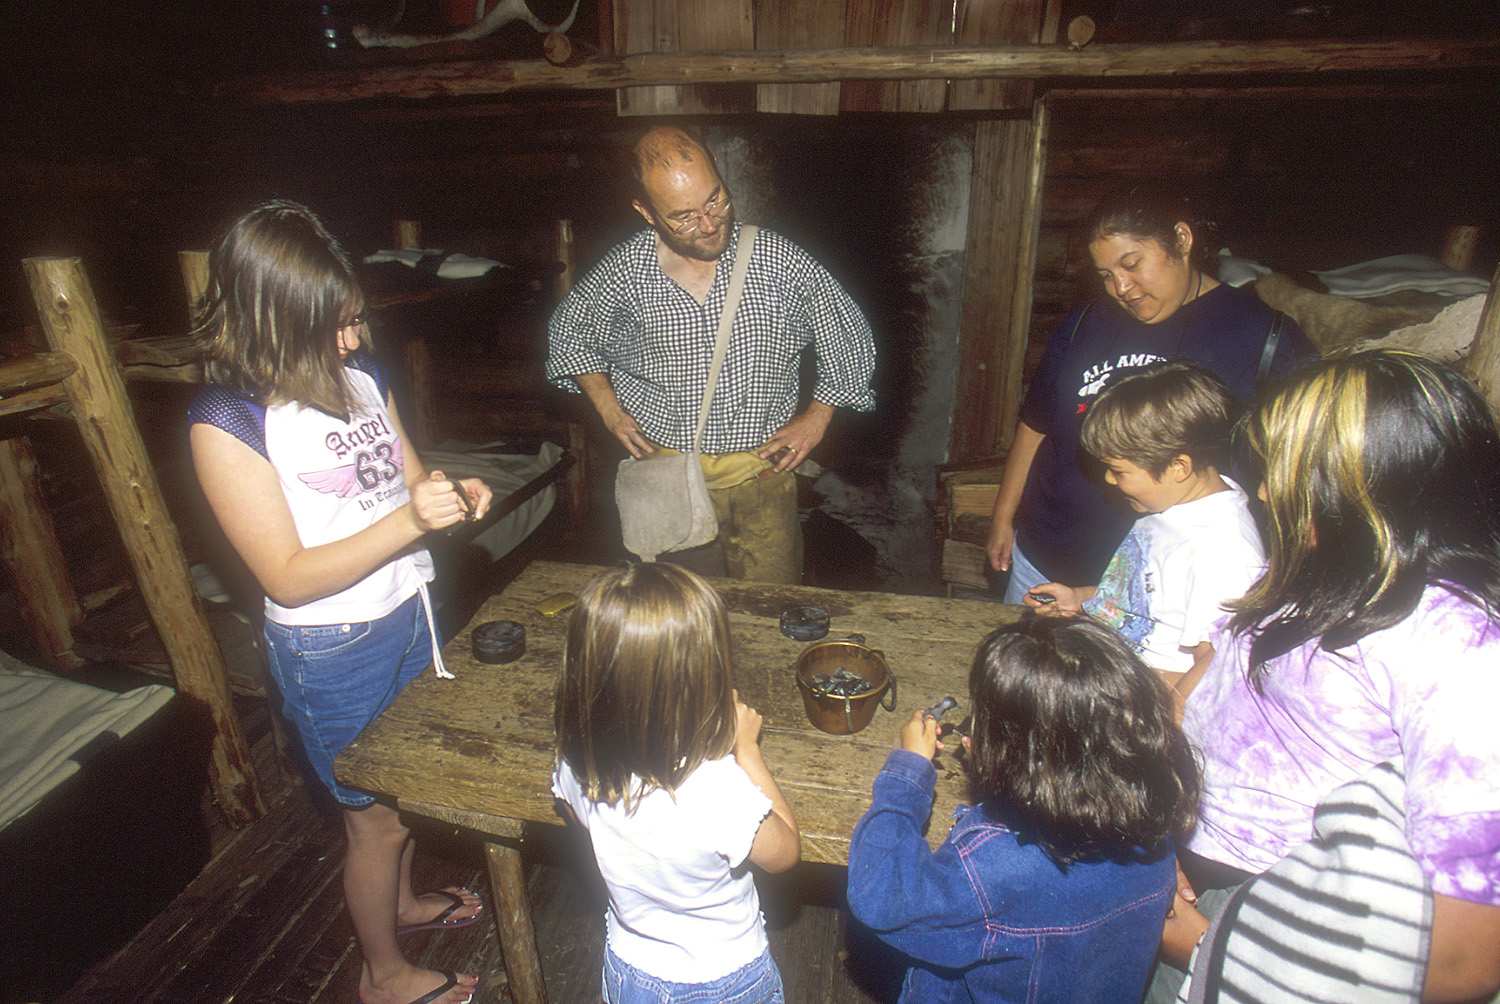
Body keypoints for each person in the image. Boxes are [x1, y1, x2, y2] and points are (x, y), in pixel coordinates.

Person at [188, 201, 492, 1004]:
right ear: (270, 318)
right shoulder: (229, 419)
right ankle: (380, 975)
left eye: (355, 320)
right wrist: (406, 519)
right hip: (330, 644)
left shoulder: (364, 377)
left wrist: (450, 493)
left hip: (403, 611)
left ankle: (401, 905)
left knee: (397, 794)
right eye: (334, 326)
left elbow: (410, 479)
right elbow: (284, 575)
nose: (353, 341)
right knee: (375, 820)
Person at [1151, 351, 1500, 1003]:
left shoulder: (1460, 648)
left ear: (1372, 486)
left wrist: (1211, 948)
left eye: (1286, 472)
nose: (1259, 492)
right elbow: (1207, 683)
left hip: (1279, 923)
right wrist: (1151, 833)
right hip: (1185, 865)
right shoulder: (1313, 567)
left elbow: (1466, 962)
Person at [547, 125, 877, 584]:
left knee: (769, 608)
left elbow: (847, 331)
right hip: (669, 483)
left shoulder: (779, 261)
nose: (708, 224)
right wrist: (608, 409)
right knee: (683, 614)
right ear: (645, 211)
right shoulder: (624, 272)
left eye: (716, 201)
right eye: (683, 216)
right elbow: (569, 335)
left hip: (761, 479)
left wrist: (818, 416)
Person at [986, 182, 1315, 603]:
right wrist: (1003, 515)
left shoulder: (1264, 338)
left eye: (1132, 263)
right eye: (1106, 275)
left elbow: (1310, 464)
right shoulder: (1088, 321)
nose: (1121, 288)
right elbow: (1036, 422)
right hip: (1044, 553)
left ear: (1181, 239)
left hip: (1157, 585)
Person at [847, 614, 1200, 1004]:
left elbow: (880, 894)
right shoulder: (1150, 828)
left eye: (981, 718)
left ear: (1020, 755)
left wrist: (908, 770)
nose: (970, 730)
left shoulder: (993, 868)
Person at [551, 562, 800, 1003]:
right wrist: (747, 750)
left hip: (630, 972)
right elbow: (784, 854)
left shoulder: (578, 761)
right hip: (726, 981)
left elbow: (577, 816)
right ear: (698, 683)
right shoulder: (714, 787)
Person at [1023, 361, 1264, 704]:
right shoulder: (1172, 505)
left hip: (1145, 705)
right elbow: (1151, 597)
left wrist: (1161, 728)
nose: (1108, 479)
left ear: (1178, 467)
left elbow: (1217, 669)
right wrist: (1082, 599)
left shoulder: (1224, 551)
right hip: (1113, 676)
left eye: (1118, 470)